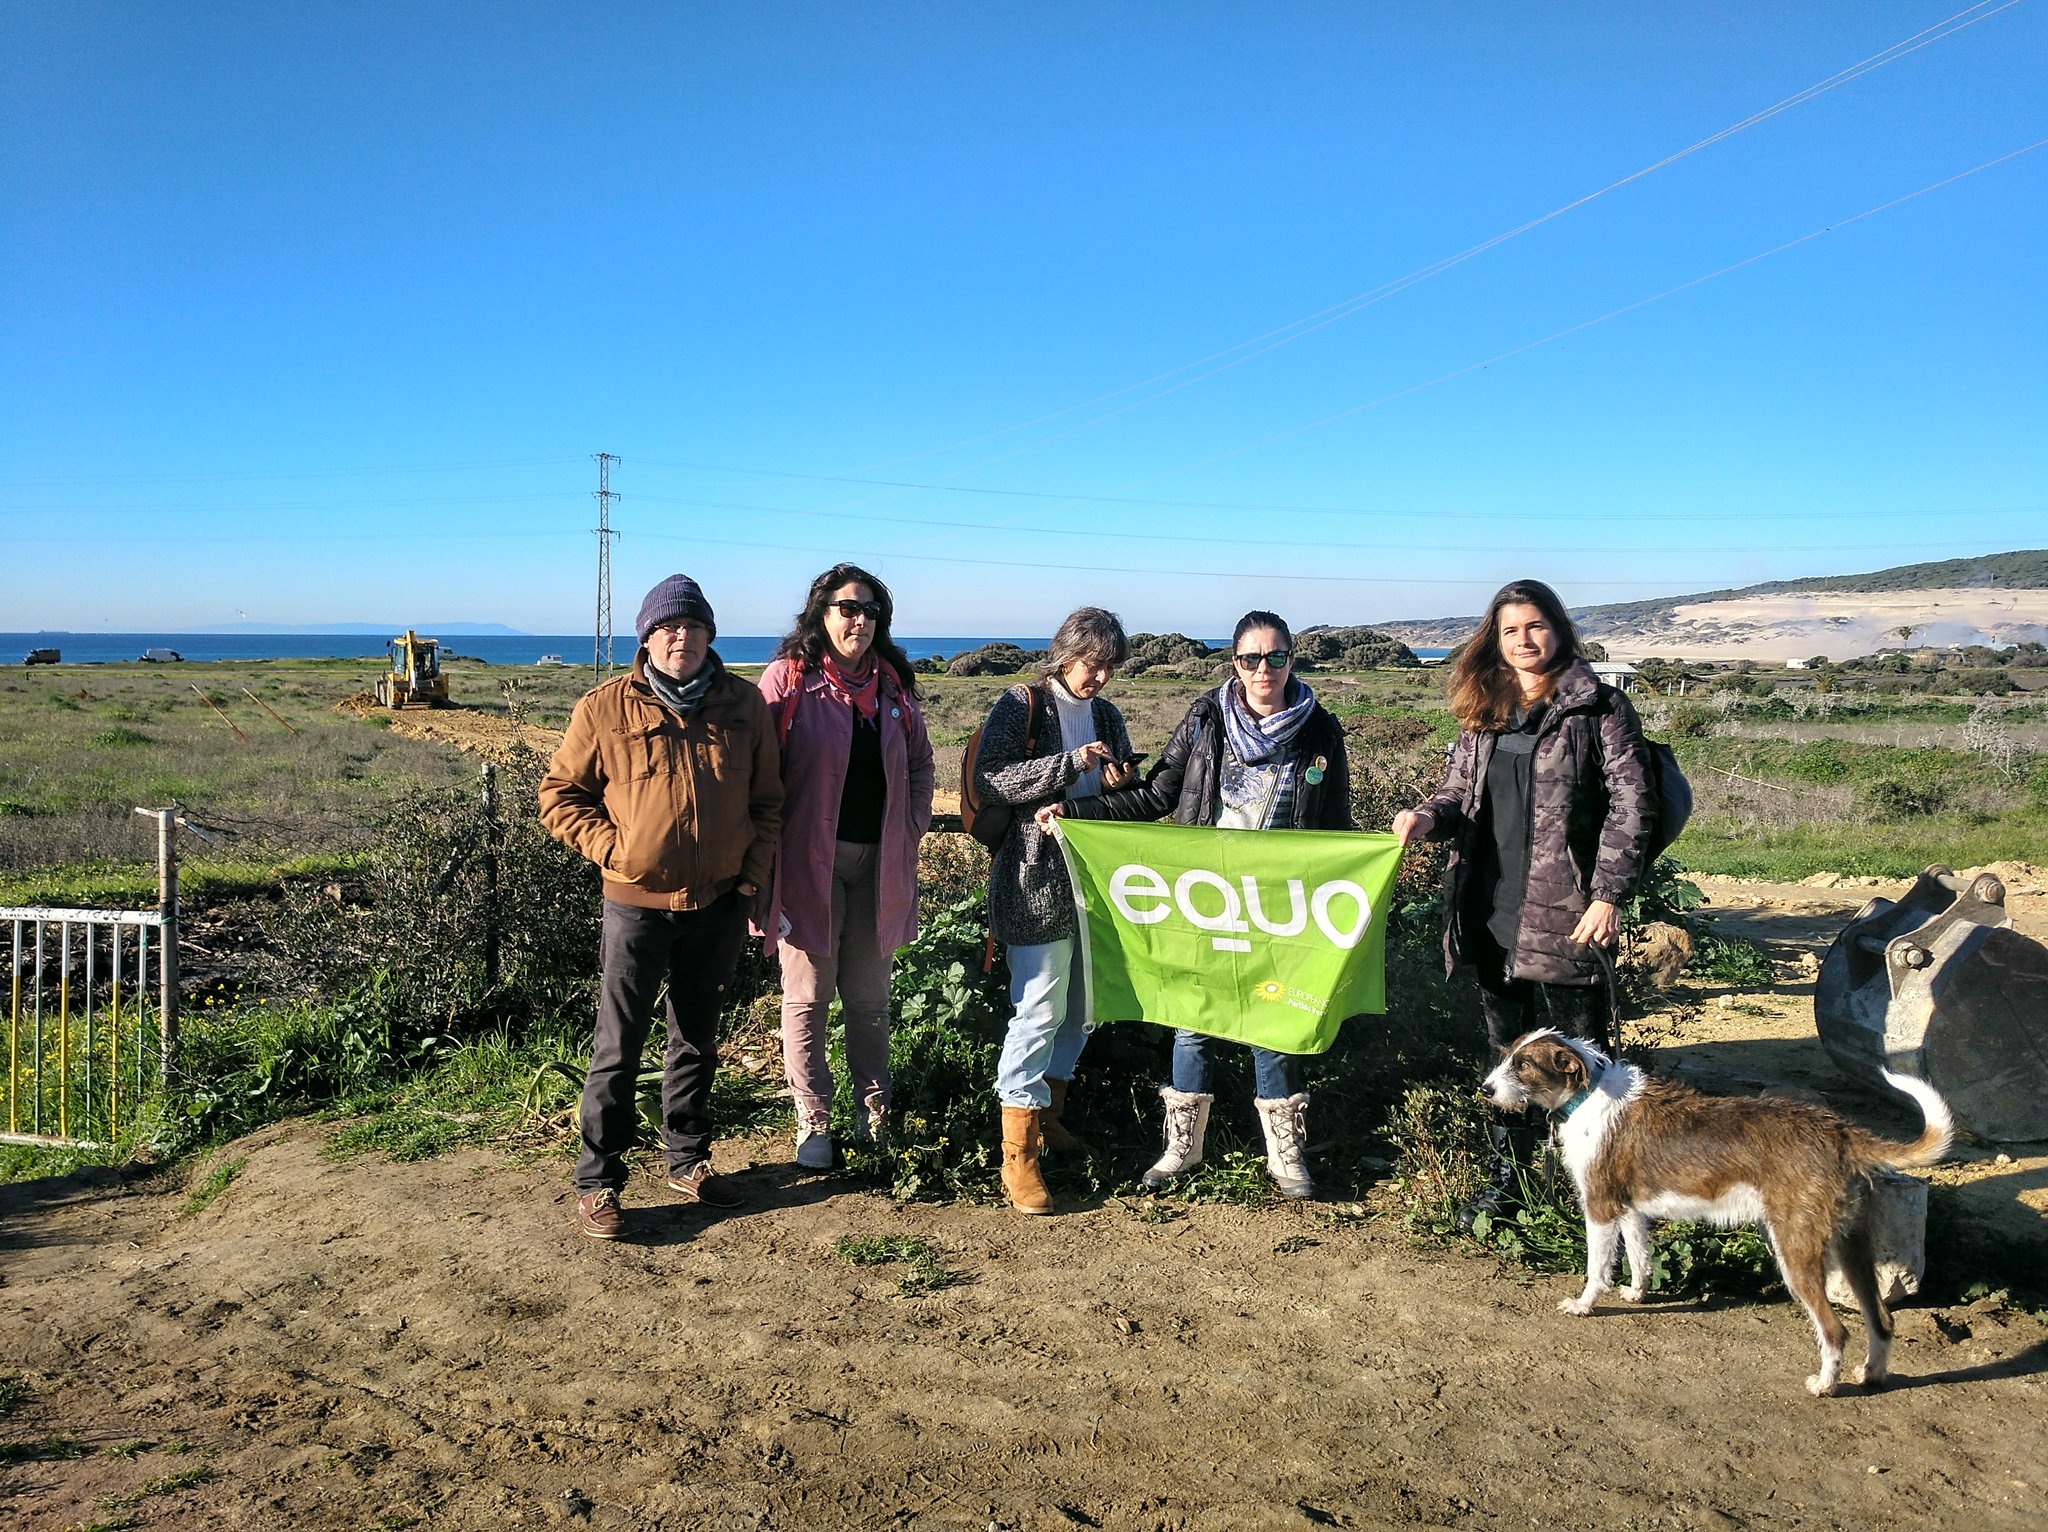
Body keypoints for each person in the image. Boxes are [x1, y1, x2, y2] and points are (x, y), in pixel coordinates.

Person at [1048, 610, 1353, 1199]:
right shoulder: (1207, 718)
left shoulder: (1321, 729)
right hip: (1205, 897)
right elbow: (1161, 792)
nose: (1264, 669)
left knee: (1278, 1020)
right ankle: (1181, 1149)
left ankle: (1284, 1157)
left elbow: (1334, 825)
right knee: (1193, 1022)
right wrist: (1079, 814)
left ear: (1293, 658)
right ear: (1234, 663)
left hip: (1279, 902)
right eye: (1250, 658)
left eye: (1276, 657)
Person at [1391, 577, 1652, 1232]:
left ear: (1558, 628)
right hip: (1488, 907)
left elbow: (1631, 806)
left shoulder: (1600, 709)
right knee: (1510, 1059)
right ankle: (1510, 1185)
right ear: (1495, 640)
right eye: (1511, 630)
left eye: (1536, 626)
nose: (1525, 640)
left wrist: (1608, 895)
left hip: (1569, 912)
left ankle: (1595, 1193)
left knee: (1581, 1063)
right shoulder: (1484, 708)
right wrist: (1424, 817)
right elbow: (1457, 794)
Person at [539, 575, 783, 1241]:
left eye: (694, 626)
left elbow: (768, 802)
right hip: (635, 905)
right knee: (618, 1045)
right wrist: (614, 849)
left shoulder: (743, 704)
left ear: (710, 636)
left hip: (719, 902)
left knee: (697, 1038)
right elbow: (560, 794)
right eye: (668, 627)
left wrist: (750, 876)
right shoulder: (605, 708)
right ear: (646, 637)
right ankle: (598, 1182)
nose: (682, 638)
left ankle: (688, 1159)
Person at [757, 564, 935, 1169]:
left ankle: (874, 1112)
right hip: (809, 865)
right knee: (808, 995)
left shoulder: (892, 686)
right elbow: (756, 768)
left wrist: (911, 827)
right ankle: (814, 1121)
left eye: (869, 610)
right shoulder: (789, 680)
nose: (858, 619)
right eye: (846, 607)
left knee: (868, 998)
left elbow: (920, 765)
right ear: (821, 614)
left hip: (881, 864)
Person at [972, 607, 1137, 1215]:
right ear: (1065, 654)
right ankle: (1018, 1155)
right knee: (1038, 1006)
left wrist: (1118, 779)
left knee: (1081, 1007)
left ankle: (1048, 1116)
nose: (1098, 678)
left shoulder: (1108, 715)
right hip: (1034, 878)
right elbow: (992, 780)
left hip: (1095, 881)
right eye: (1092, 664)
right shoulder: (1022, 705)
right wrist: (1069, 764)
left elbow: (1119, 791)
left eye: (1108, 668)